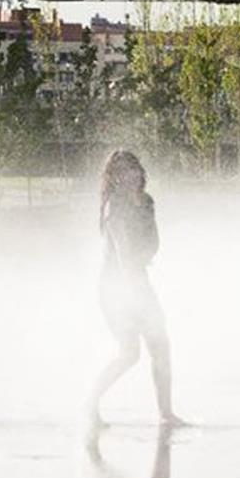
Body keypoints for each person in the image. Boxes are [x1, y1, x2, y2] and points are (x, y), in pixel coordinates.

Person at [86, 150, 184, 428]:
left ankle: (166, 413)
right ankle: (88, 403)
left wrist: (141, 263)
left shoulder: (147, 202)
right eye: (123, 171)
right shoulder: (113, 207)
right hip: (118, 287)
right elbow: (124, 253)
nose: (131, 175)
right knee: (130, 353)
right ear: (113, 178)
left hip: (138, 281)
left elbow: (153, 243)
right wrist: (135, 289)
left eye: (134, 169)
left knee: (160, 347)